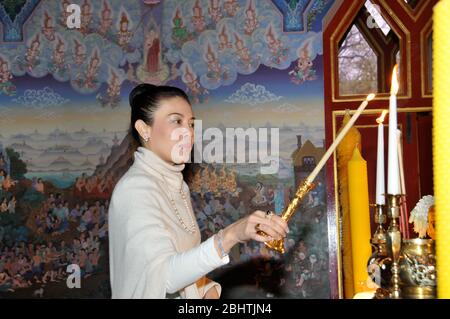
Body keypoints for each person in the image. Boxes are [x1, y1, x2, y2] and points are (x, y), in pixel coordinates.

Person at [108, 84, 288, 299]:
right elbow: (164, 277)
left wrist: (205, 289)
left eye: (191, 124)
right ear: (144, 129)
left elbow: (178, 266)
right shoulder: (135, 188)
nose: (189, 133)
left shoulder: (176, 185)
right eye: (176, 121)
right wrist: (232, 235)